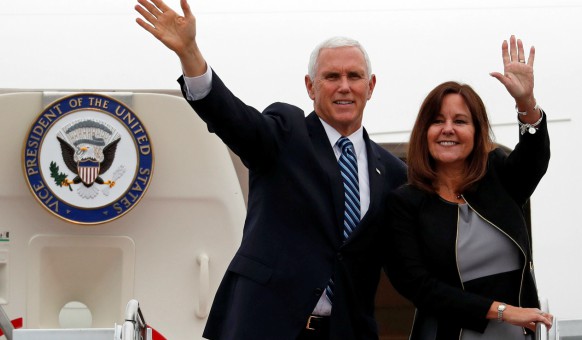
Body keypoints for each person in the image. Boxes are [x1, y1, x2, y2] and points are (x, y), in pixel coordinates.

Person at [134, 0, 407, 339]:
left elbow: (410, 261)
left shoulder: (394, 172)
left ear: (371, 86)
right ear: (310, 86)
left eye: (354, 76)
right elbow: (232, 118)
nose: (344, 86)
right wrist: (190, 54)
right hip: (265, 325)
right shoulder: (286, 134)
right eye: (331, 76)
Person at [385, 35, 554, 339]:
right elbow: (419, 286)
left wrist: (525, 103)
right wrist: (502, 311)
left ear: (477, 132)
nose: (447, 128)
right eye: (437, 121)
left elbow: (534, 159)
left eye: (460, 121)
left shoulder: (498, 175)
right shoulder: (405, 203)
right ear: (425, 132)